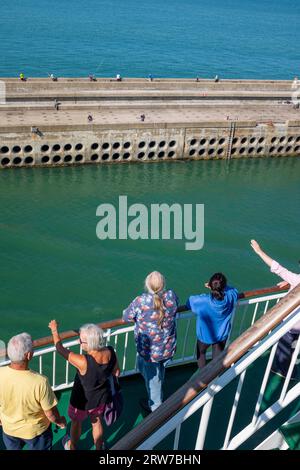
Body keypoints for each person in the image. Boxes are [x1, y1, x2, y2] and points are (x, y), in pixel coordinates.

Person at [48, 321, 120, 450]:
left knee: (76, 423)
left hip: (81, 400)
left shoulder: (83, 361)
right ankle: (99, 447)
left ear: (91, 343)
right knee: (96, 422)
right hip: (100, 398)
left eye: (81, 341)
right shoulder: (110, 351)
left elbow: (60, 348)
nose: (78, 342)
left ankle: (72, 446)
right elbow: (117, 372)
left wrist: (54, 330)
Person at [123, 271, 178, 412]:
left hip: (149, 353)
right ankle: (157, 385)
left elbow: (126, 316)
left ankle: (156, 410)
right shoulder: (171, 296)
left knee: (153, 380)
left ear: (147, 285)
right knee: (158, 371)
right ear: (163, 285)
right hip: (167, 348)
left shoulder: (141, 301)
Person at [0, 333, 66, 450]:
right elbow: (50, 414)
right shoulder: (40, 382)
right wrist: (59, 421)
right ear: (29, 355)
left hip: (9, 429)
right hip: (36, 433)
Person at [250, 240, 300, 379]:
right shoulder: (295, 280)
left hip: (291, 323)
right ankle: (285, 365)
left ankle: (284, 371)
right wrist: (290, 282)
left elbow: (277, 268)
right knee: (292, 345)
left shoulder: (297, 280)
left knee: (285, 345)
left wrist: (259, 251)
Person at [186, 273, 239, 368]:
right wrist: (217, 286)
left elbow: (189, 302)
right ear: (224, 286)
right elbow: (234, 290)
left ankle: (203, 376)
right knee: (217, 360)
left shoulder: (202, 300)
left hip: (204, 336)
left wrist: (212, 287)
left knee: (201, 354)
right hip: (222, 336)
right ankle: (214, 379)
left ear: (210, 285)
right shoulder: (231, 296)